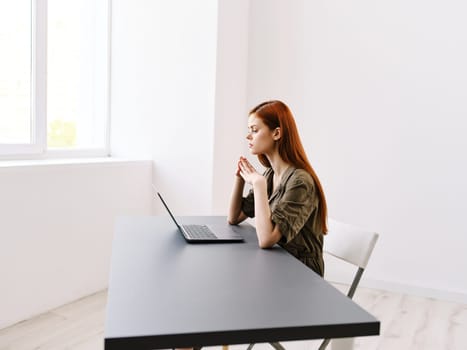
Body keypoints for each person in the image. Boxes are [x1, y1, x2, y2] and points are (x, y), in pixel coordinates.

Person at [228, 100, 328, 276]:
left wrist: (258, 184)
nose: (248, 136)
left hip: (302, 274)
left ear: (276, 133)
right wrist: (240, 177)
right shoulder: (270, 175)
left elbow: (266, 239)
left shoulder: (300, 182)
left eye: (254, 130)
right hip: (276, 263)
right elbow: (234, 217)